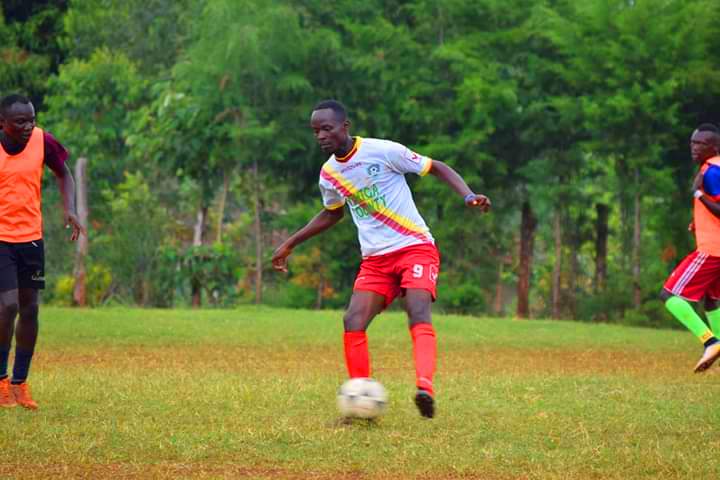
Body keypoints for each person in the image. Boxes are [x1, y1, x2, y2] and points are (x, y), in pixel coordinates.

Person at [271, 100, 490, 418]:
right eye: (315, 131)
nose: (320, 136)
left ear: (345, 126)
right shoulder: (330, 174)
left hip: (414, 247)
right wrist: (290, 243)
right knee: (353, 320)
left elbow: (436, 166)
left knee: (417, 310)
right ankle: (361, 400)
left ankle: (424, 387)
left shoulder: (383, 151)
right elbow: (332, 214)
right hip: (375, 260)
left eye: (327, 128)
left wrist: (468, 195)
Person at [0, 94, 82, 410]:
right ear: (3, 123)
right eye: (20, 121)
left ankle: (20, 382)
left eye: (31, 119)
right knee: (7, 306)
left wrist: (70, 209)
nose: (28, 125)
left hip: (30, 238)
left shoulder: (41, 140)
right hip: (2, 239)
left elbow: (64, 173)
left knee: (30, 309)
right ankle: (1, 379)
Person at [661, 123, 720, 373]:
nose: (693, 148)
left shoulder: (712, 172)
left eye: (699, 144)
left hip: (713, 250)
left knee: (670, 296)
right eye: (692, 143)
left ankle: (711, 341)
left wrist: (697, 194)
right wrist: (699, 221)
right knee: (711, 299)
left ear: (714, 147)